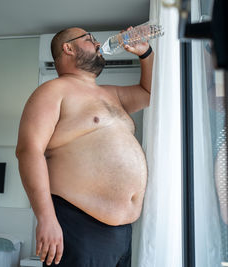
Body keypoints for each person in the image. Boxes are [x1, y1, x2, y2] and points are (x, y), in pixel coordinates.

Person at [16, 26, 154, 267]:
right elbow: (29, 151)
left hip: (121, 233)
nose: (100, 45)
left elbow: (151, 93)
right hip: (79, 225)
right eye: (90, 40)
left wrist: (145, 53)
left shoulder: (112, 95)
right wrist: (46, 218)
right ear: (67, 48)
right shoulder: (52, 91)